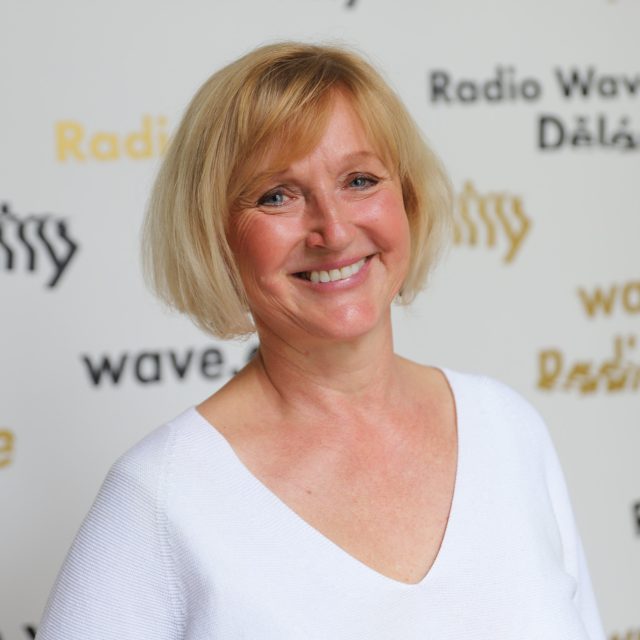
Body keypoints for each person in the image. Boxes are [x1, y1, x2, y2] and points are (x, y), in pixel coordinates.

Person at [37, 42, 605, 639]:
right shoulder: (158, 497)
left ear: (408, 201)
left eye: (359, 180)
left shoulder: (507, 429)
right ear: (215, 237)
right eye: (277, 195)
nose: (332, 230)